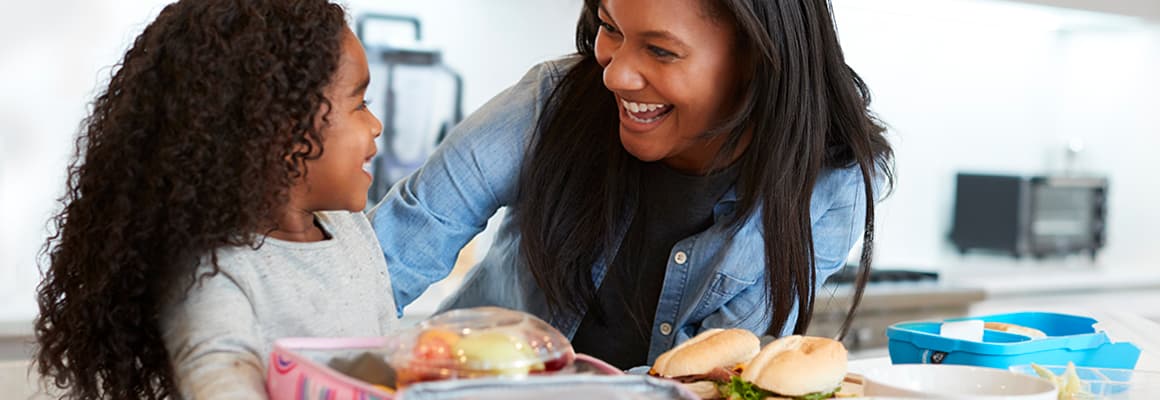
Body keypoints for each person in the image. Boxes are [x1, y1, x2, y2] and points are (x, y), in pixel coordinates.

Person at [373, 0, 894, 369]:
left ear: (758, 59)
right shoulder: (549, 103)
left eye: (661, 52)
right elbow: (393, 249)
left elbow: (708, 370)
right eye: (610, 27)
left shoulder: (829, 184)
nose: (616, 75)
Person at [33, 0, 395, 398]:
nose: (375, 124)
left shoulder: (348, 231)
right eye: (359, 104)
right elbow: (218, 374)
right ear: (282, 130)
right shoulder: (213, 276)